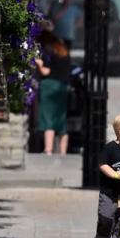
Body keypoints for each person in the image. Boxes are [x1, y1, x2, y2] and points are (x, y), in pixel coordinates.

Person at [35, 22, 72, 156]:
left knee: (48, 118)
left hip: (49, 86)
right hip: (63, 86)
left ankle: (48, 150)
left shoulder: (48, 52)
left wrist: (38, 65)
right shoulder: (63, 51)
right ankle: (63, 152)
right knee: (61, 119)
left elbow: (45, 71)